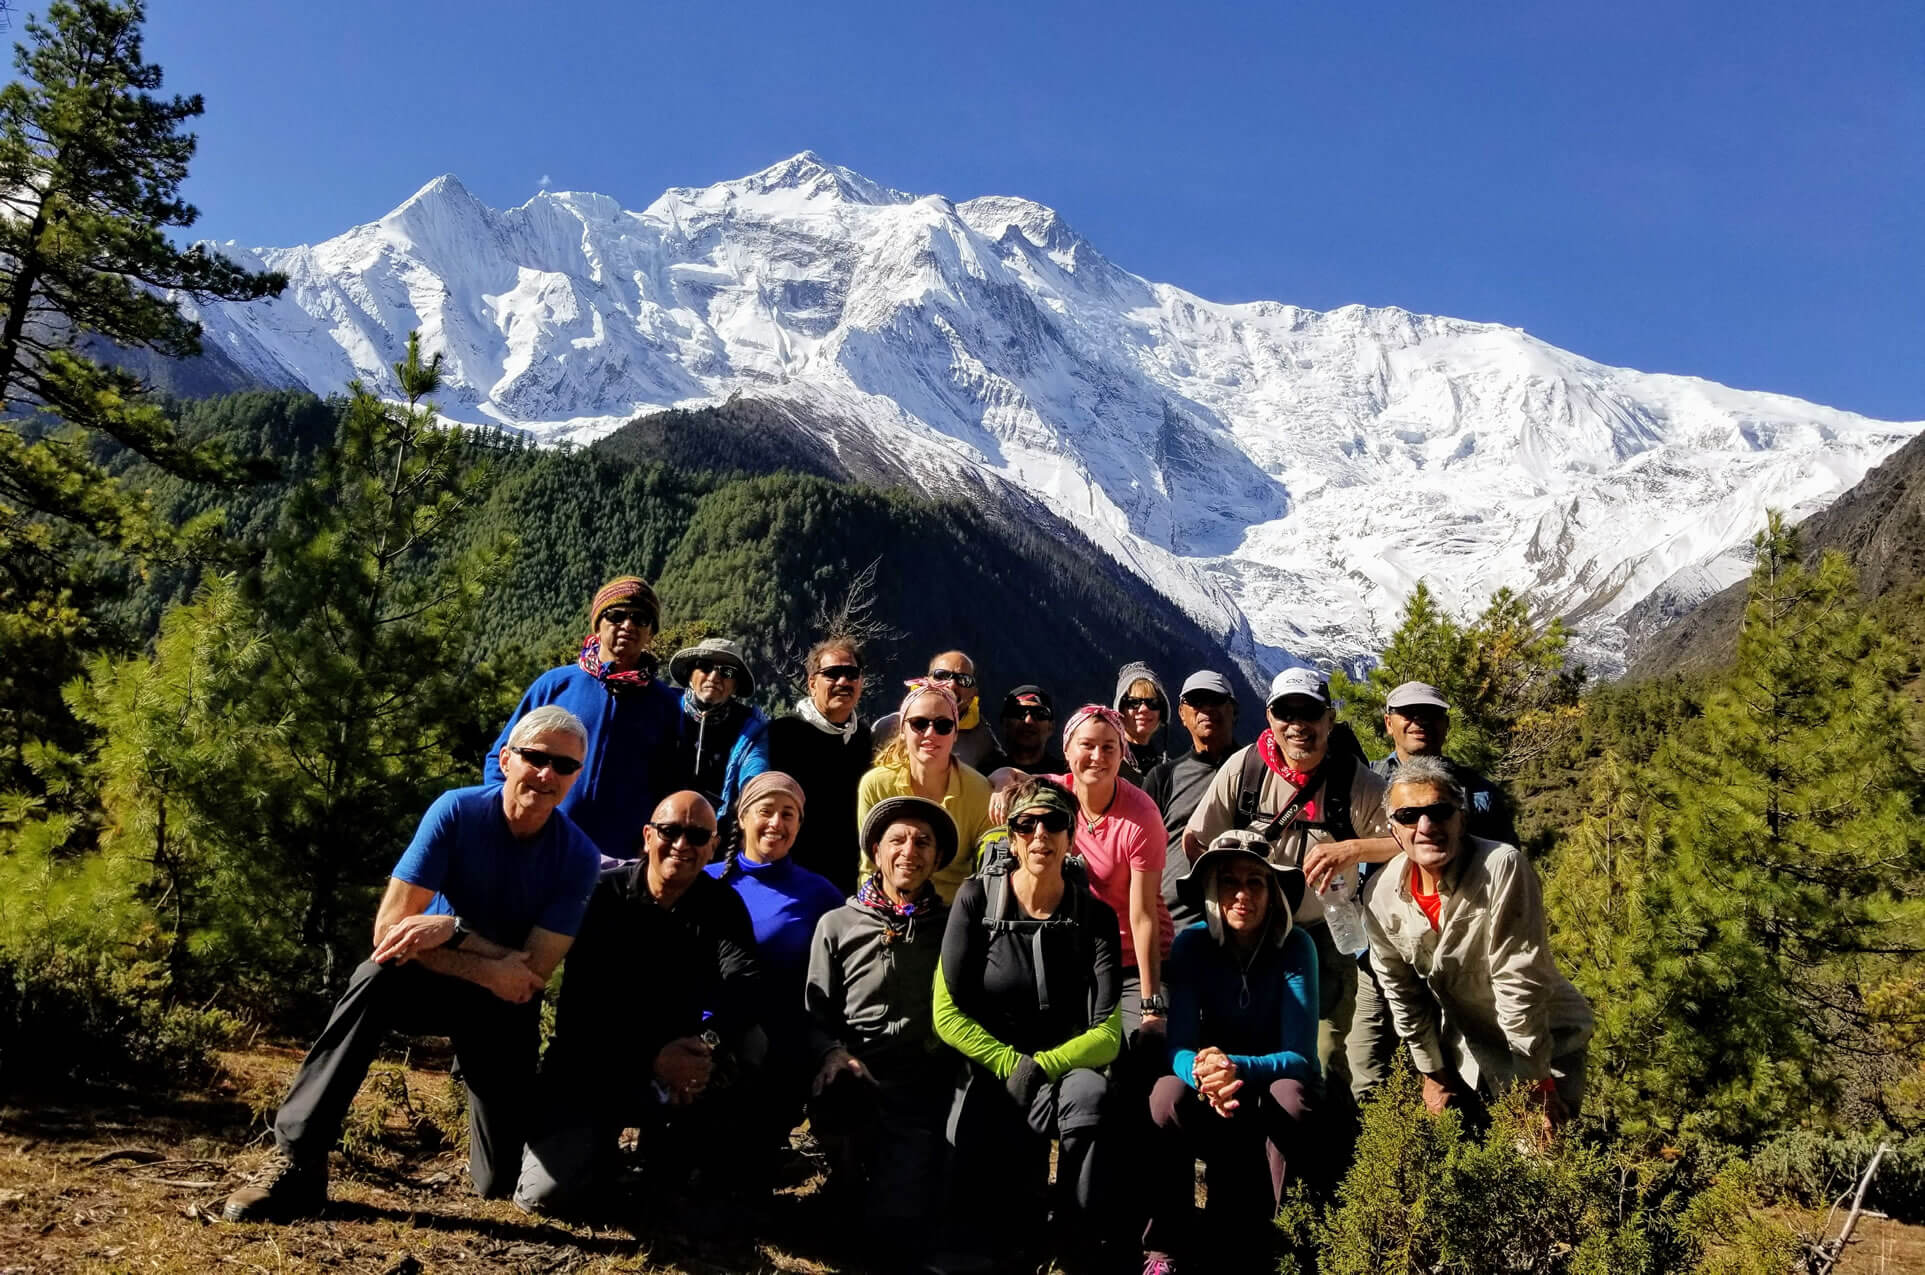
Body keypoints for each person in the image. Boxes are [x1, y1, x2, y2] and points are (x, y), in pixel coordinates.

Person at [223, 706, 602, 1222]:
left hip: (502, 1006)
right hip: (433, 979)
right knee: (374, 978)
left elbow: (532, 971)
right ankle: (296, 1160)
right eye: (536, 758)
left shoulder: (578, 856)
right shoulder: (457, 812)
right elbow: (388, 934)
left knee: (498, 1184)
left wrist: (454, 928)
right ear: (507, 759)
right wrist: (484, 958)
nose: (547, 774)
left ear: (576, 775)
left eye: (563, 765)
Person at [514, 791, 765, 1216]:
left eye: (697, 835)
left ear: (712, 847)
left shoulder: (722, 904)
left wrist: (705, 1046)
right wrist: (653, 1058)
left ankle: (690, 1157)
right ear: (648, 836)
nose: (682, 844)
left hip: (680, 1068)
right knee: (547, 1196)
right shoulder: (600, 897)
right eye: (670, 831)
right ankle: (590, 1154)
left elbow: (743, 981)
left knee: (754, 1044)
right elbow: (583, 1011)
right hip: (593, 1064)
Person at [1183, 667, 1396, 1116]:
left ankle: (1327, 1164)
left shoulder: (1354, 781)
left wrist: (1352, 848)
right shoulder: (1245, 769)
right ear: (1269, 718)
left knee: (1322, 1054)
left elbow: (1404, 841)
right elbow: (1197, 840)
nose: (1298, 724)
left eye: (1310, 712)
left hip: (1321, 936)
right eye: (1286, 712)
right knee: (1254, 1051)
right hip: (1249, 942)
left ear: (1329, 719)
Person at [932, 777, 1122, 1267]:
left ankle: (1077, 1238)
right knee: (971, 1150)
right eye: (1027, 824)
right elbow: (945, 1011)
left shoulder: (1094, 917)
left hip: (1060, 1066)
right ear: (1012, 838)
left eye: (1054, 823)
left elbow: (1106, 1034)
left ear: (1072, 835)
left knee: (1091, 1097)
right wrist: (1009, 1063)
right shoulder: (976, 901)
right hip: (993, 1064)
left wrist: (1041, 1066)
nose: (1041, 834)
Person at [1362, 755, 1593, 1136]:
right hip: (1467, 1049)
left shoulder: (1502, 867)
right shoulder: (1381, 895)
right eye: (1408, 817)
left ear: (1461, 819)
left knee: (1540, 1157)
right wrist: (1431, 1072)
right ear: (1393, 831)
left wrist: (1536, 1084)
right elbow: (1402, 994)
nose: (1426, 827)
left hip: (1544, 1044)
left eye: (1439, 812)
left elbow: (1518, 979)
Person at [1144, 830, 1319, 1275]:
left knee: (1292, 1098)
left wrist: (1234, 1066)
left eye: (1255, 882)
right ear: (1212, 891)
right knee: (1165, 1098)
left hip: (1267, 1077)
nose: (1242, 895)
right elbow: (1179, 1045)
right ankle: (1166, 1246)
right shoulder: (1192, 944)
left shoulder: (1296, 946)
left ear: (1272, 890)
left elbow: (1300, 1056)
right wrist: (1204, 1071)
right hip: (1215, 1081)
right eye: (1229, 882)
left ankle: (1289, 1243)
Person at [1350, 680, 1519, 1101]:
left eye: (1429, 715)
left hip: (1461, 957)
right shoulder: (1364, 783)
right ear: (1388, 723)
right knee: (1368, 1069)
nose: (1418, 722)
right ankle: (1379, 1159)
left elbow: (1503, 871)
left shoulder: (1478, 794)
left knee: (1469, 1075)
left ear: (1446, 725)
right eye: (1408, 714)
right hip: (1377, 952)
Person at [804, 796, 958, 1249]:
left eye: (923, 842)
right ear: (876, 851)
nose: (910, 850)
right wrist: (834, 1052)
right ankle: (845, 1176)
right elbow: (815, 1010)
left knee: (900, 1221)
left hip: (925, 1079)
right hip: (857, 1072)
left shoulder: (952, 926)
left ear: (937, 858)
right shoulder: (836, 924)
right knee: (841, 1098)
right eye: (898, 840)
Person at [705, 771, 844, 1176]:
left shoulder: (818, 893)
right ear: (742, 816)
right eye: (766, 811)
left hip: (783, 1049)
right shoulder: (708, 880)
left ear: (799, 826)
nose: (776, 824)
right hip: (706, 1035)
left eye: (789, 814)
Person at [485, 575, 680, 862]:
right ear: (598, 625)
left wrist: (655, 840)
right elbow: (500, 758)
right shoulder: (556, 685)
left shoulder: (664, 704)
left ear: (650, 632)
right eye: (616, 616)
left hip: (620, 858)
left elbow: (671, 781)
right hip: (537, 845)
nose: (628, 625)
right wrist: (502, 814)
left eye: (640, 619)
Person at [857, 679, 994, 901]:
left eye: (943, 726)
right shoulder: (876, 785)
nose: (930, 734)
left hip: (952, 915)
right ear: (902, 730)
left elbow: (986, 872)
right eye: (919, 724)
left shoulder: (980, 792)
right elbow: (870, 866)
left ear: (956, 733)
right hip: (888, 910)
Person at [766, 638, 872, 892]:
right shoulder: (783, 735)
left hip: (847, 880)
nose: (843, 682)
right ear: (812, 683)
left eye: (851, 674)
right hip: (793, 878)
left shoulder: (863, 739)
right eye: (832, 674)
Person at [1142, 670, 1241, 931]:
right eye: (1196, 702)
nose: (1206, 710)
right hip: (1172, 926)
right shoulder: (1163, 777)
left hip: (1242, 925)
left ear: (1233, 710)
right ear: (1182, 715)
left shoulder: (1255, 769)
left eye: (1216, 701)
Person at [666, 636, 771, 825]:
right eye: (705, 667)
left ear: (735, 686)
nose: (714, 677)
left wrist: (754, 802)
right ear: (690, 675)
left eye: (727, 672)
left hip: (717, 834)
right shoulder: (664, 709)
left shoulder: (751, 729)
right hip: (660, 826)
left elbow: (754, 775)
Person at [871, 650, 1000, 770]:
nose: (952, 684)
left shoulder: (982, 738)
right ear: (926, 680)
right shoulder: (885, 727)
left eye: (964, 680)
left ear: (974, 692)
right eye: (942, 675)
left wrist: (1005, 774)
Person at [979, 684, 1066, 775]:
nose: (1028, 721)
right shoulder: (986, 776)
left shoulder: (1068, 778)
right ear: (1005, 722)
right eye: (1018, 712)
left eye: (1040, 714)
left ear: (1051, 727)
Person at [1114, 661, 1172, 783]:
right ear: (1120, 710)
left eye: (1153, 703)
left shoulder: (1169, 771)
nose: (1144, 709)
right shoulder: (1107, 764)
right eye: (1133, 702)